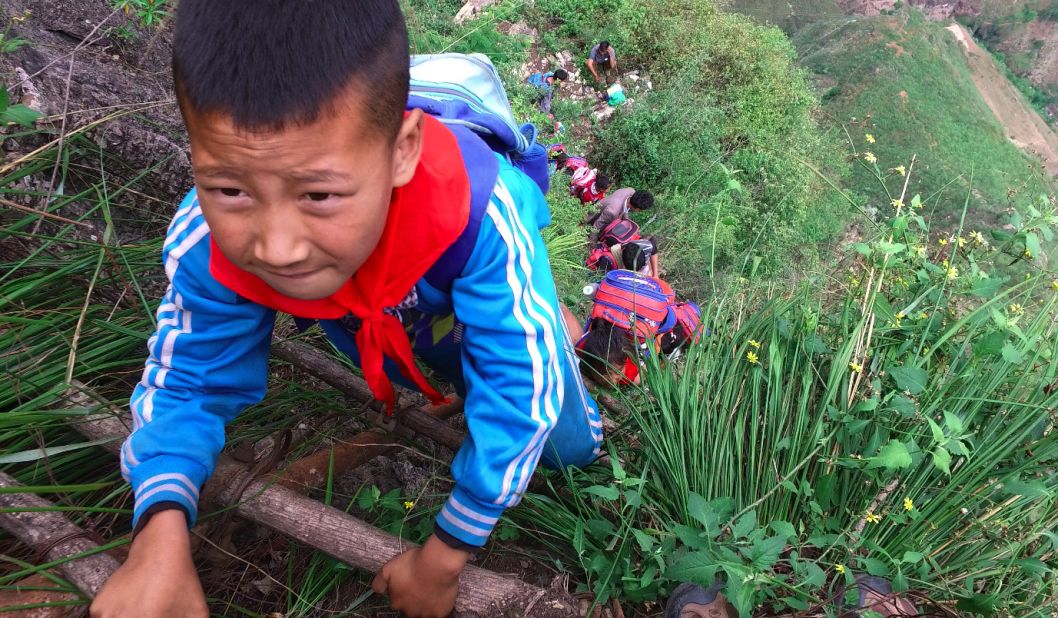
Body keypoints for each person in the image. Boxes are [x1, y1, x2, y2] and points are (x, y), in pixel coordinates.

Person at [89, 2, 603, 618]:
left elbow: (523, 392)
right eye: (229, 188)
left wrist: (443, 556)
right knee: (446, 363)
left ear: (402, 151)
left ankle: (545, 323)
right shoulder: (210, 241)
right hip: (368, 300)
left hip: (447, 267)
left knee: (565, 446)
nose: (277, 246)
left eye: (320, 194)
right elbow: (188, 382)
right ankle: (478, 339)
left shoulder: (481, 212)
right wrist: (159, 534)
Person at [586, 187, 654, 242]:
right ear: (637, 209)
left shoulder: (631, 191)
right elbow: (595, 228)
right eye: (640, 210)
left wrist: (626, 220)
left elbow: (625, 210)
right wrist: (593, 246)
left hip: (607, 208)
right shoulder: (612, 212)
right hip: (593, 218)